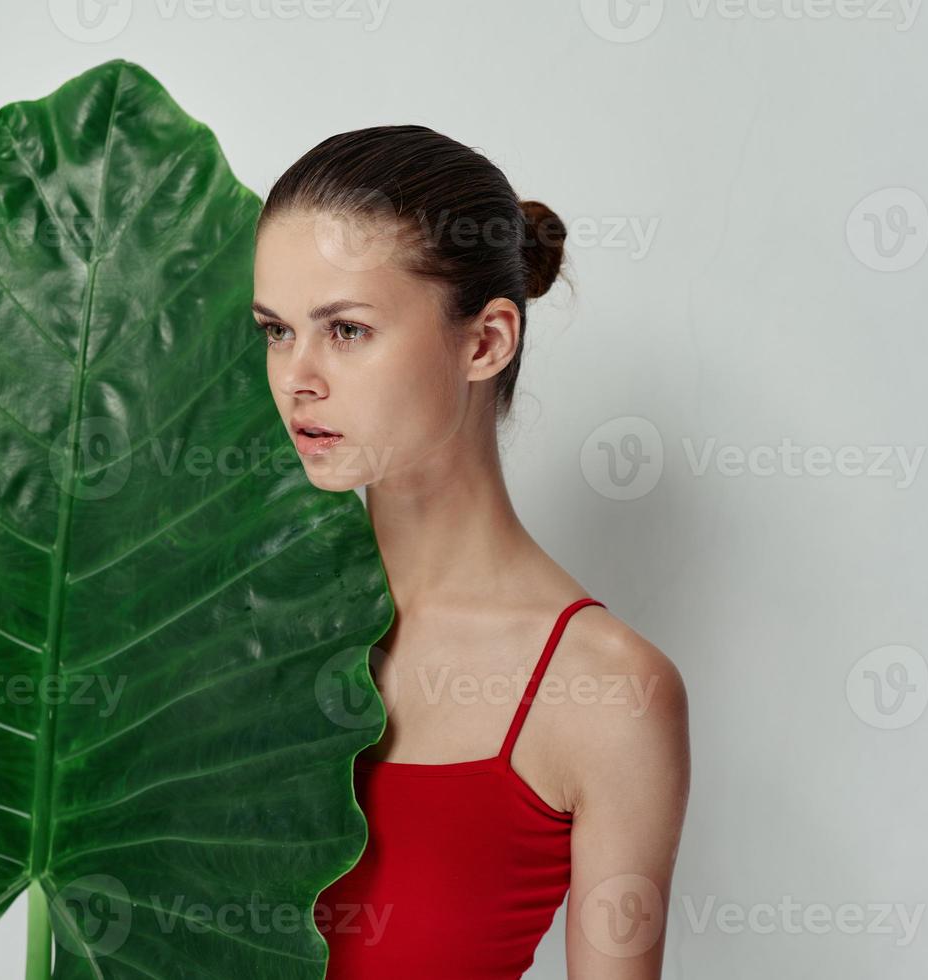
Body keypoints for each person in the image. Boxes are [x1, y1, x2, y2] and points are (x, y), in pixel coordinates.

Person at [251, 125, 690, 979]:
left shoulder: (605, 691)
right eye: (274, 331)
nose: (295, 376)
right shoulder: (228, 625)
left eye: (344, 331)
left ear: (485, 341)